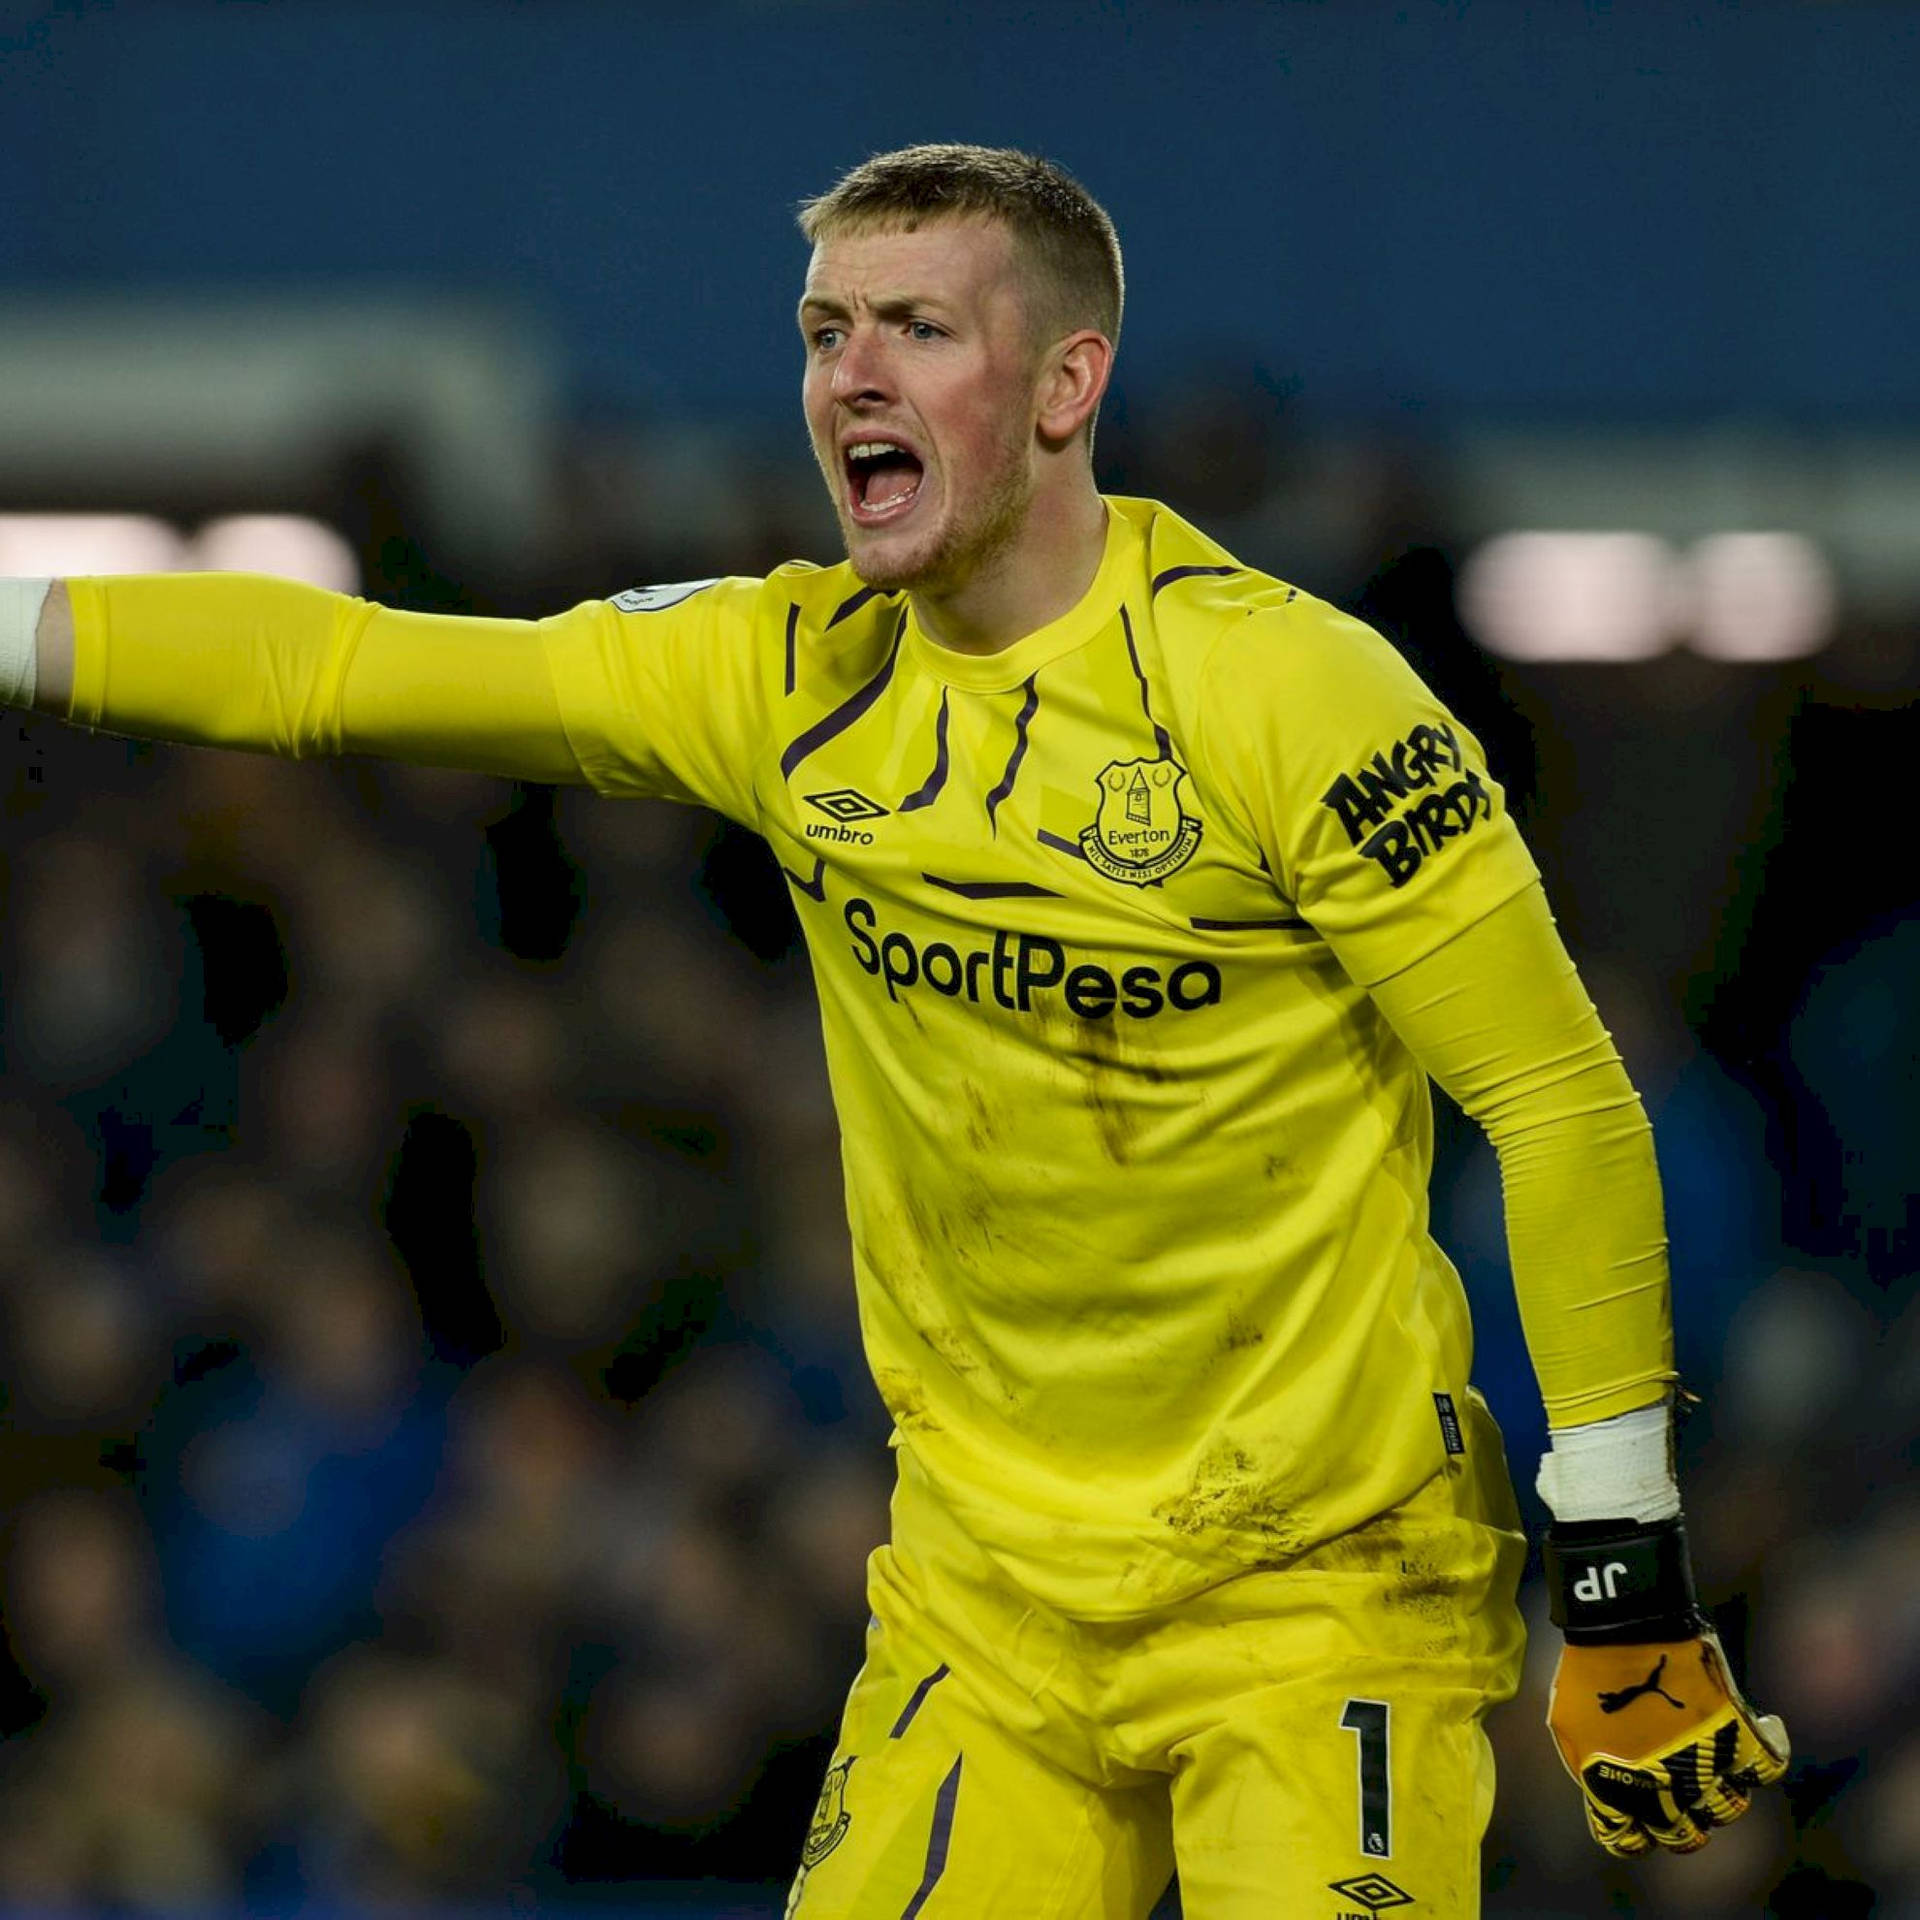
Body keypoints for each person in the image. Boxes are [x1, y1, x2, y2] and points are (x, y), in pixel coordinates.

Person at [0, 144, 1787, 1917]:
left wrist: (1622, 1575)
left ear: (1068, 383)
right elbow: (338, 665)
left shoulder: (1294, 699)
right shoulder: (783, 677)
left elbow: (1564, 1104)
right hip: (987, 1602)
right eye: (825, 328)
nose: (851, 374)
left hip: (1320, 1587)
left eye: (919, 328)